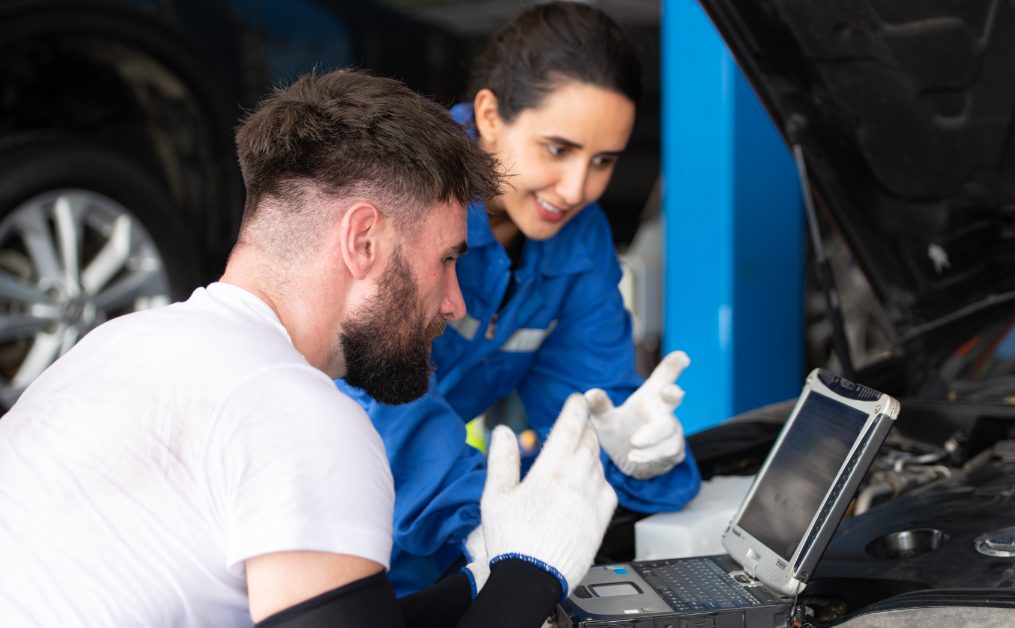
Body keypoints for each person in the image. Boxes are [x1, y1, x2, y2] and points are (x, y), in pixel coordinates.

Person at [0, 69, 616, 627]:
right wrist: (532, 572)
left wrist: (477, 582)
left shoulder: (112, 349)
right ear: (364, 240)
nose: (455, 302)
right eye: (447, 260)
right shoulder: (299, 415)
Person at [338, 1, 701, 596]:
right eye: (558, 149)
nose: (578, 188)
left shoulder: (575, 241)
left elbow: (585, 403)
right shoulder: (402, 191)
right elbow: (380, 408)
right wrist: (503, 530)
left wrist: (629, 453)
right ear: (489, 116)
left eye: (603, 160)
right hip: (314, 510)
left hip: (432, 538)